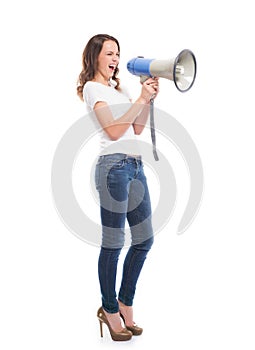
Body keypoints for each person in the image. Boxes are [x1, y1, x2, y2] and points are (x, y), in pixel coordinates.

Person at [77, 34, 159, 341]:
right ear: (95, 56)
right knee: (113, 243)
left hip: (136, 167)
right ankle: (109, 310)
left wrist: (145, 98)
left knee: (144, 240)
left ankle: (125, 301)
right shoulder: (93, 88)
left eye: (117, 53)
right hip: (113, 168)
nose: (115, 59)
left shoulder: (120, 89)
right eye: (109, 53)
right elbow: (112, 131)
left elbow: (136, 128)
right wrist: (138, 100)